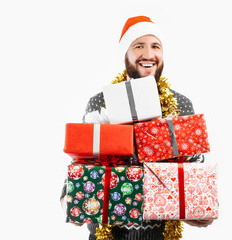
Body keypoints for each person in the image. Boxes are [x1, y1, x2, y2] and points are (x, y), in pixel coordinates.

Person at [61, 16, 213, 240]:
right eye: (138, 46)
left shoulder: (181, 106)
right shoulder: (99, 103)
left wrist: (201, 209)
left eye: (155, 46)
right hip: (109, 235)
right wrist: (69, 201)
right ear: (126, 55)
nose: (149, 54)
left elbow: (195, 173)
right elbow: (79, 167)